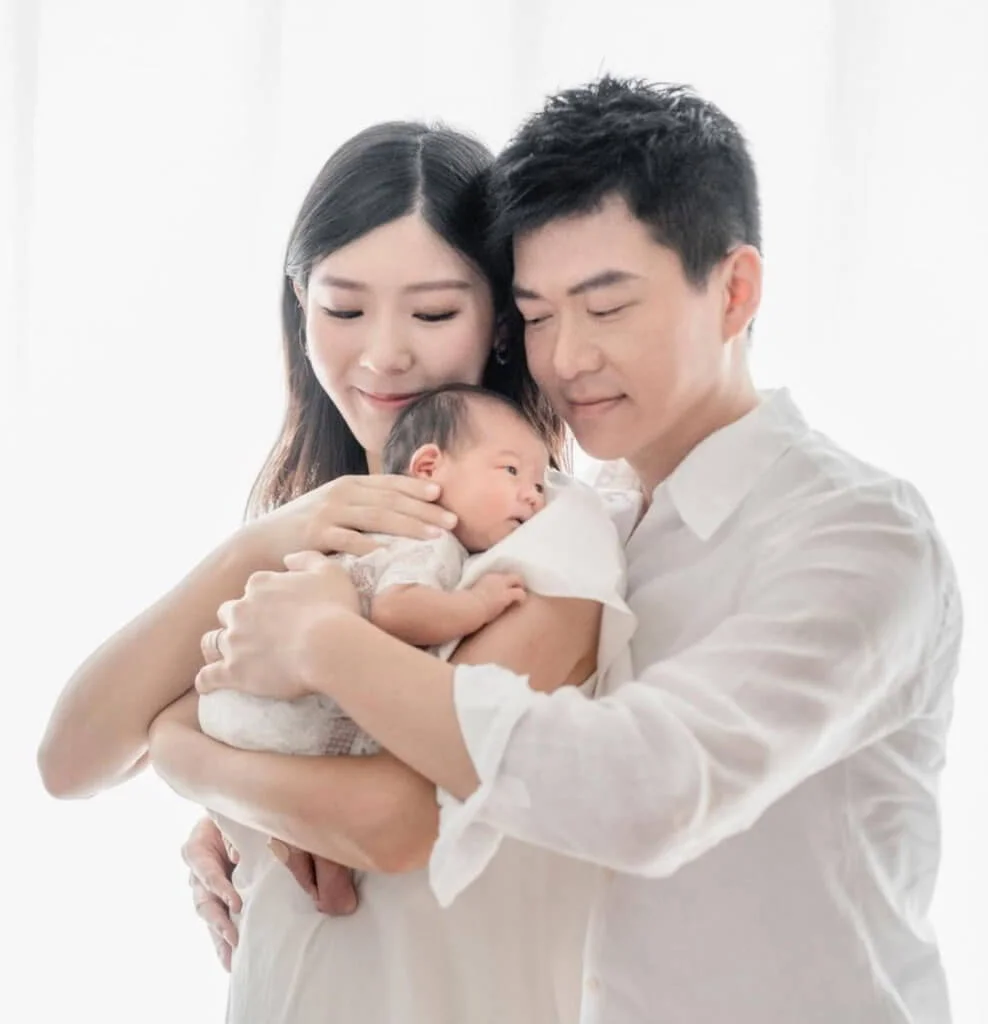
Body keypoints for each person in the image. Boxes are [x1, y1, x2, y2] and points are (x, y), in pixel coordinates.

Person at [196, 78, 963, 1024]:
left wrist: (321, 645)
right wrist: (241, 802)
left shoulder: (856, 534)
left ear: (734, 292)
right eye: (539, 315)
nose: (564, 360)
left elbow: (643, 788)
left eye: (606, 308)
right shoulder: (576, 513)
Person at [37, 120, 631, 1024]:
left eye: (434, 313)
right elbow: (70, 762)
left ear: (502, 323)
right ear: (300, 305)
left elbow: (390, 822)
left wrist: (186, 757)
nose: (384, 353)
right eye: (344, 310)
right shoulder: (311, 539)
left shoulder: (547, 531)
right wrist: (253, 547)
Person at [198, 384, 554, 759]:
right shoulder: (426, 538)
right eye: (511, 470)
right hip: (271, 709)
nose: (534, 496)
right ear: (428, 468)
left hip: (243, 703)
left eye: (538, 485)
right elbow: (397, 609)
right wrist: (478, 603)